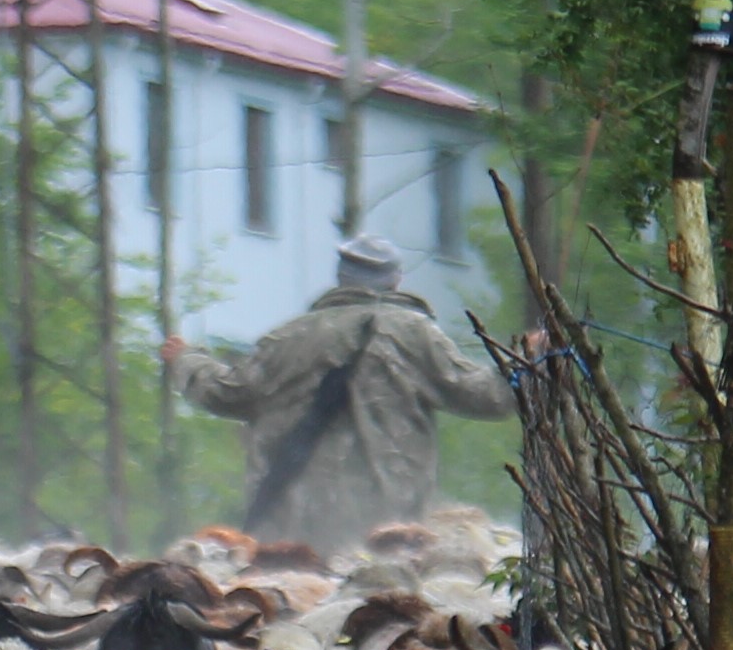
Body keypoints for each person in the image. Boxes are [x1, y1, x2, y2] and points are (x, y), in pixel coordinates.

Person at [160, 233, 523, 560]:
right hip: (387, 538)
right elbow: (487, 396)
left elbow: (226, 392)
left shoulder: (287, 338)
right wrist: (530, 362)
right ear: (395, 280)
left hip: (287, 540)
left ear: (340, 278)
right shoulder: (413, 334)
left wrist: (185, 360)